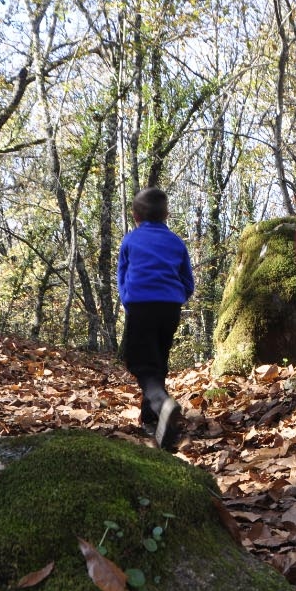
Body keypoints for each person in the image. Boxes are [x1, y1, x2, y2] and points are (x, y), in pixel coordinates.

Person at [117, 186, 194, 448]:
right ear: (166, 215)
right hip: (169, 307)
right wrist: (177, 296)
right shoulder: (176, 242)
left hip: (141, 305)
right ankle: (154, 421)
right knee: (157, 359)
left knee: (139, 361)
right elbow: (188, 280)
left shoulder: (130, 240)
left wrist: (128, 298)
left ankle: (161, 404)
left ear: (135, 216)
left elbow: (123, 275)